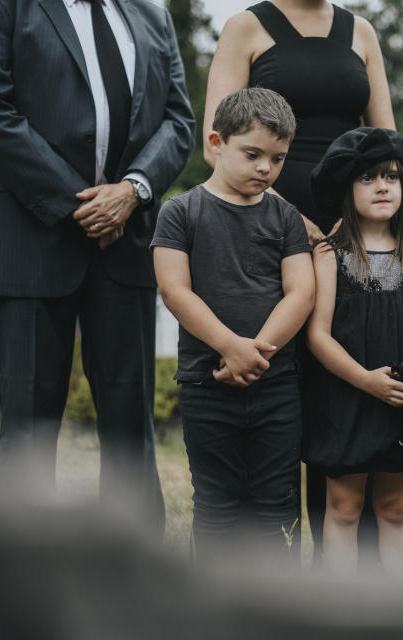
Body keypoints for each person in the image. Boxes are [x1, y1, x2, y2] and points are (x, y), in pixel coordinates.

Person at [0, 0, 194, 534]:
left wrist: (132, 192)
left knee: (132, 425)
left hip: (126, 242)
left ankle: (137, 574)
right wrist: (82, 204)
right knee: (29, 429)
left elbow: (179, 121)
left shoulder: (152, 16)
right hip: (30, 239)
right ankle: (21, 583)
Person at [202, 0, 396, 558]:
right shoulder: (245, 28)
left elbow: (384, 141)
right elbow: (215, 143)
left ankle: (351, 557)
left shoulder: (361, 31)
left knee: (346, 377)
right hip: (266, 229)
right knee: (291, 385)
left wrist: (356, 226)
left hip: (353, 235)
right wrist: (300, 226)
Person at [151, 88, 315, 566]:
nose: (266, 168)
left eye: (278, 158)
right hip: (207, 384)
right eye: (253, 154)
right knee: (217, 506)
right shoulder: (180, 212)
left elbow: (301, 292)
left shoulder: (285, 216)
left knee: (277, 507)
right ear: (217, 141)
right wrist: (229, 346)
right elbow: (175, 291)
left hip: (277, 384)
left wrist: (256, 353)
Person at [305, 128, 403, 578]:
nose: (383, 186)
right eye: (368, 178)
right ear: (346, 188)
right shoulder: (331, 255)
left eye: (391, 177)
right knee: (344, 507)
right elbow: (319, 335)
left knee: (394, 507)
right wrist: (365, 380)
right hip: (347, 397)